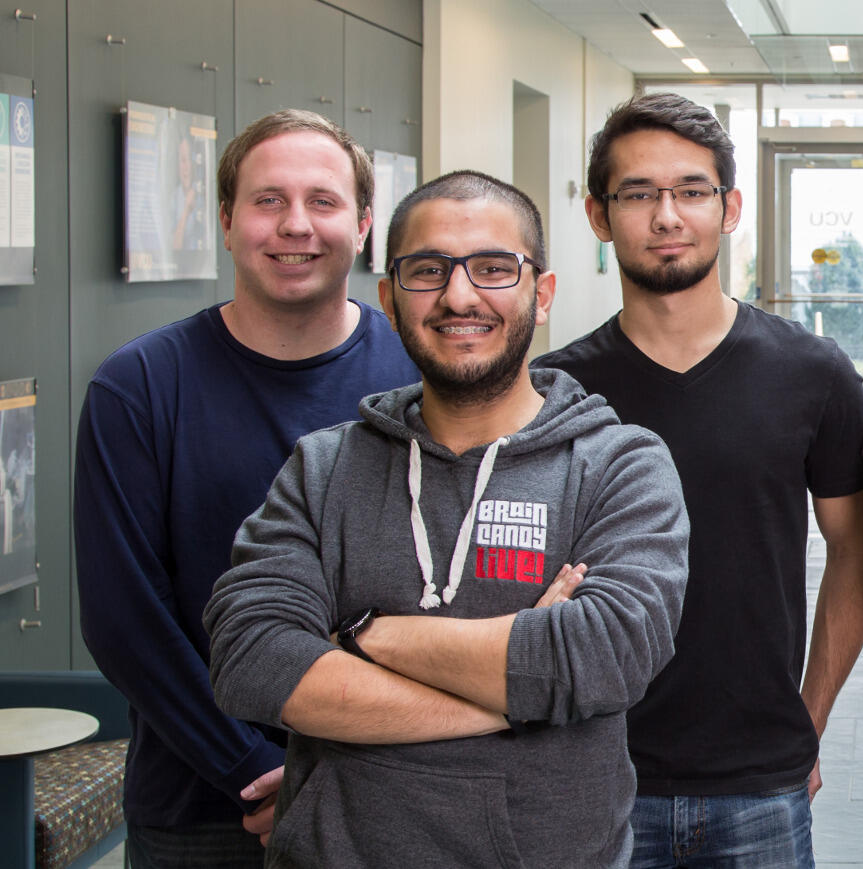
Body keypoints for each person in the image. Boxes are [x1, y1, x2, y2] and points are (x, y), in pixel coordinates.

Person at [204, 170, 689, 865]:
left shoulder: (619, 464)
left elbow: (606, 653)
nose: (460, 295)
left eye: (494, 268)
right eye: (428, 271)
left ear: (541, 294)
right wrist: (518, 693)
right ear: (390, 300)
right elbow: (252, 657)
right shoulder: (323, 468)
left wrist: (368, 634)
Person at [536, 92, 863, 869]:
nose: (667, 215)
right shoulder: (553, 393)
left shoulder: (813, 373)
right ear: (598, 214)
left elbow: (855, 554)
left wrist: (809, 719)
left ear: (730, 208)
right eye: (638, 194)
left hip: (759, 783)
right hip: (594, 774)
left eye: (691, 191)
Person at [73, 109, 417, 867]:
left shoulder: (421, 382)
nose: (295, 225)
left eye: (322, 202)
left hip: (396, 798)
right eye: (268, 200)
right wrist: (255, 773)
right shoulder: (139, 388)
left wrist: (340, 771)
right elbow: (126, 622)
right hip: (202, 810)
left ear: (362, 225)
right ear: (226, 221)